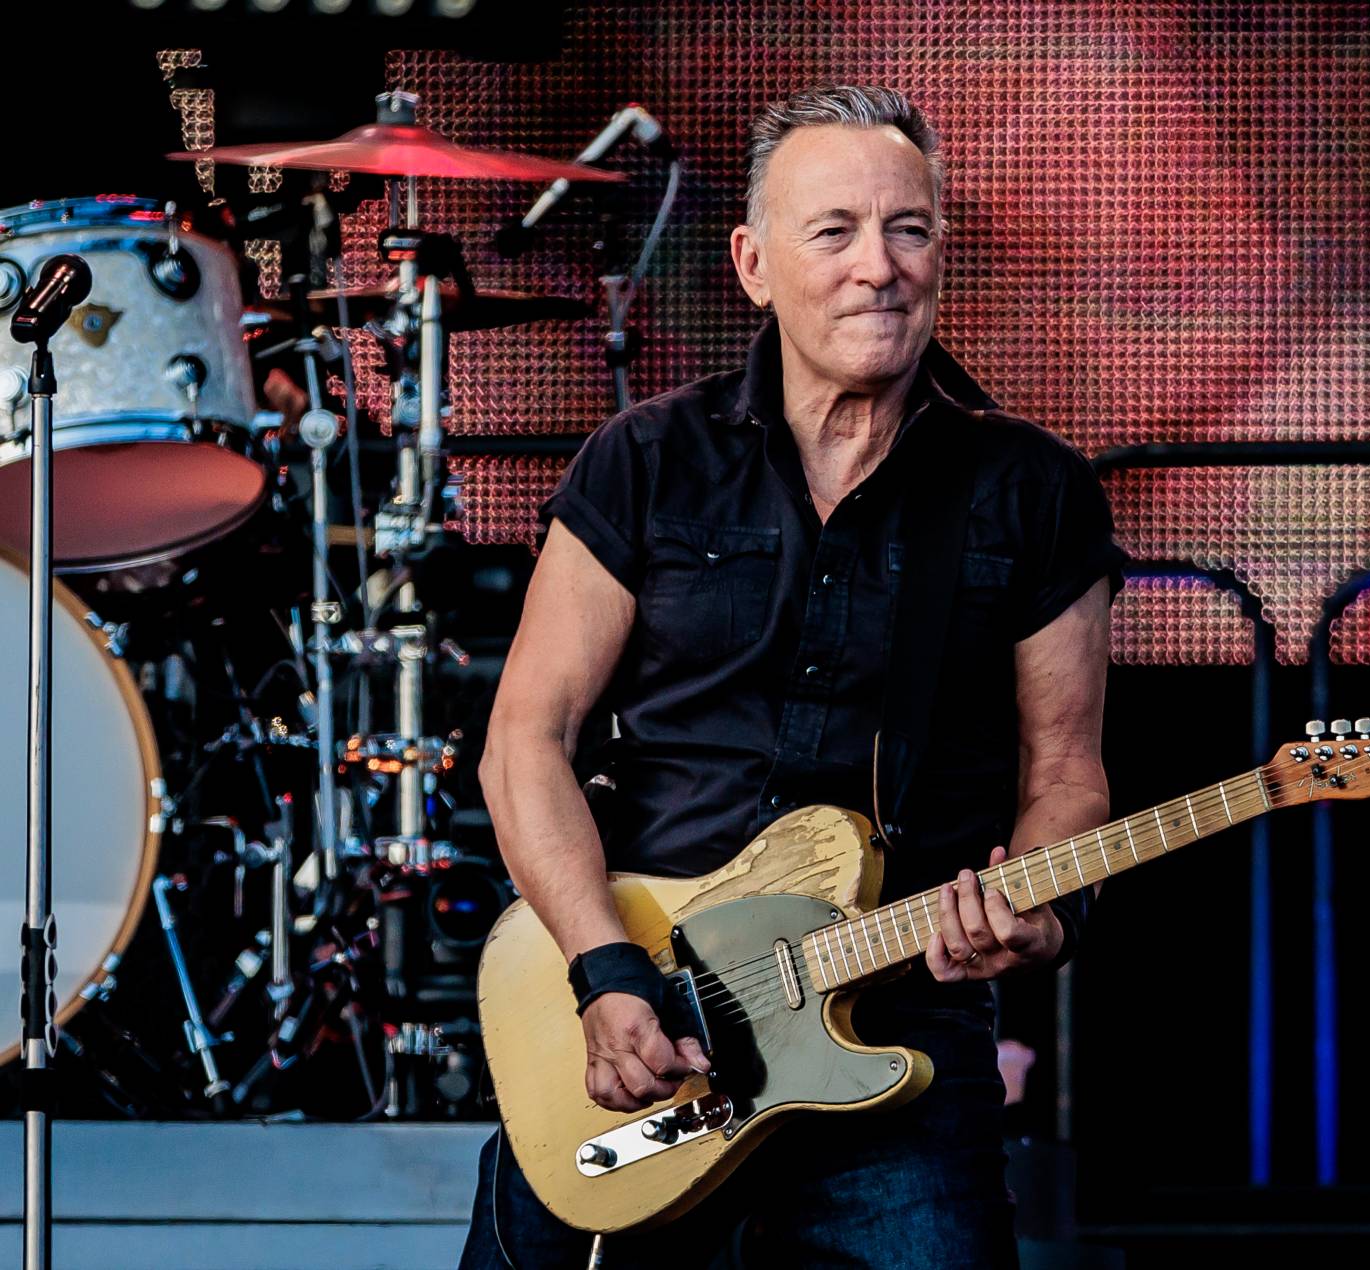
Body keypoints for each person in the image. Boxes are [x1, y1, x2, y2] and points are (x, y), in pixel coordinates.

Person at [461, 85, 1127, 1268]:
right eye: (835, 231)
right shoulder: (646, 461)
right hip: (642, 1018)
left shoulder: (1033, 490)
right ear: (753, 264)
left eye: (909, 229)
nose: (879, 265)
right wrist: (604, 968)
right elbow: (526, 739)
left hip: (898, 1030)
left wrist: (1042, 911)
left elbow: (1066, 769)